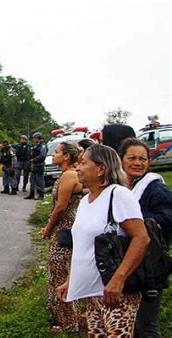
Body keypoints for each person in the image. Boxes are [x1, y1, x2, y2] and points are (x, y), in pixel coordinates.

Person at [56, 144, 150, 337]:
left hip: (115, 294)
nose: (77, 168)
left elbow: (141, 238)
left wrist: (118, 280)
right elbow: (84, 247)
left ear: (101, 169)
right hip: (94, 293)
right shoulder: (85, 201)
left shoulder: (118, 195)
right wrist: (70, 280)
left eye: (83, 163)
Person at [119, 138, 172, 338]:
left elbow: (167, 220)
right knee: (129, 324)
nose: (138, 163)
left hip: (150, 267)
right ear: (121, 160)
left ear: (148, 163)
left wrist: (134, 222)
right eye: (132, 158)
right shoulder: (121, 187)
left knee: (146, 326)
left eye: (143, 159)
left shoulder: (155, 189)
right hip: (127, 264)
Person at [39, 142, 83, 333]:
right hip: (67, 229)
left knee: (59, 275)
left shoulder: (69, 175)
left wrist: (49, 228)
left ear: (66, 156)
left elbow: (61, 207)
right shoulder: (70, 174)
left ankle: (68, 323)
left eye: (57, 152)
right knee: (63, 273)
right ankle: (67, 319)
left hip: (65, 231)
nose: (53, 155)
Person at [25, 132, 47, 200]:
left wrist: (34, 159)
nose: (33, 140)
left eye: (34, 138)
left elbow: (42, 156)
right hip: (34, 165)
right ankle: (31, 193)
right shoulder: (36, 145)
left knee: (39, 180)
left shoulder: (43, 146)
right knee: (32, 180)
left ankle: (41, 194)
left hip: (39, 165)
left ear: (38, 138)